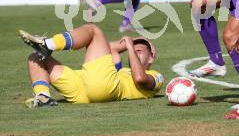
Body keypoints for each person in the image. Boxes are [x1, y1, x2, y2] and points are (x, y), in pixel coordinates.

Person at [18, 24, 163, 107]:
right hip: (83, 90)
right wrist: (131, 41)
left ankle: (49, 44)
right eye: (134, 51)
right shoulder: (123, 70)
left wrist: (131, 47)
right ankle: (43, 97)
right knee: (36, 58)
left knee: (93, 30)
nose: (135, 54)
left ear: (152, 57)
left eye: (139, 51)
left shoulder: (156, 76)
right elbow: (108, 47)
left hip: (105, 88)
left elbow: (139, 78)